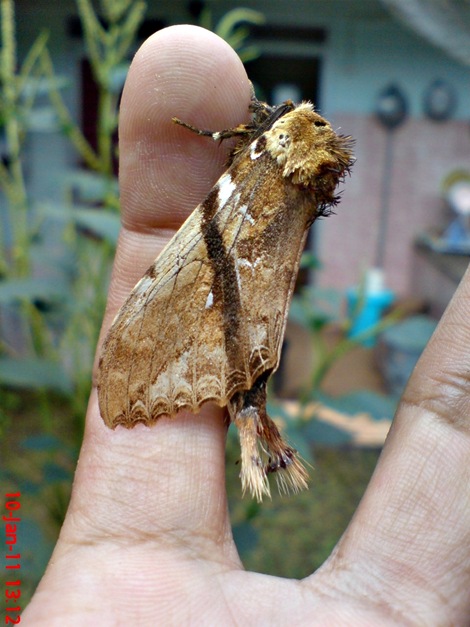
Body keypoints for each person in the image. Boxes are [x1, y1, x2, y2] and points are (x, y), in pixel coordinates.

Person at [22, 25, 470, 625]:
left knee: (206, 287)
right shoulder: (299, 175)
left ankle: (253, 422)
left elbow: (234, 140)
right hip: (256, 290)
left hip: (226, 251)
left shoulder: (262, 159)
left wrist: (219, 142)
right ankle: (254, 421)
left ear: (276, 137)